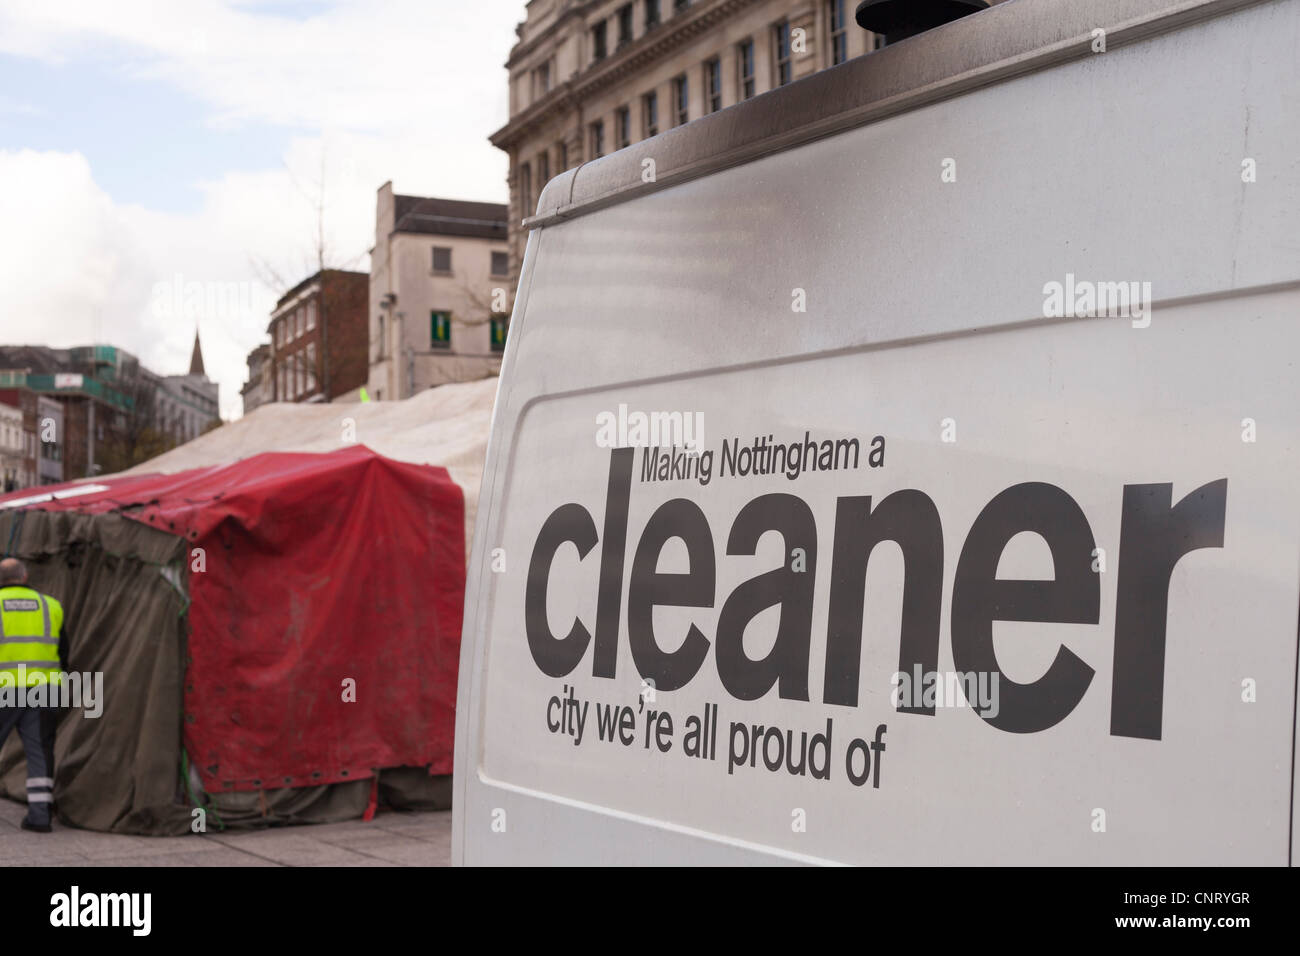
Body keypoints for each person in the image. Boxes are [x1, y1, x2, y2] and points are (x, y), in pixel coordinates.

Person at [0, 557, 64, 833]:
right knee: (39, 751)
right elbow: (65, 652)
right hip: (44, 688)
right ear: (25, 577)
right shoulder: (51, 606)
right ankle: (40, 817)